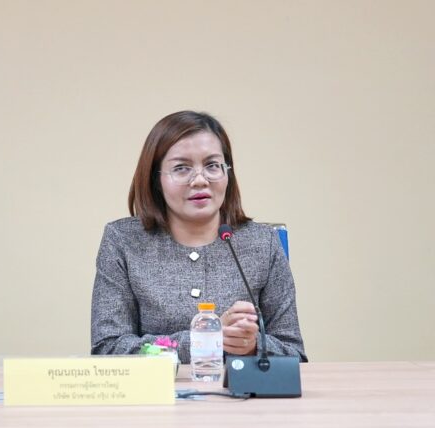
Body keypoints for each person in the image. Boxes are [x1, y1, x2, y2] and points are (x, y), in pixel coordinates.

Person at [91, 111, 306, 363]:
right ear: (156, 179)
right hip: (159, 389)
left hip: (238, 389)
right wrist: (203, 340)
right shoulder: (123, 241)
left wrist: (253, 345)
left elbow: (295, 355)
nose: (200, 180)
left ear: (227, 172)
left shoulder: (263, 243)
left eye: (212, 165)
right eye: (181, 168)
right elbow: (107, 349)